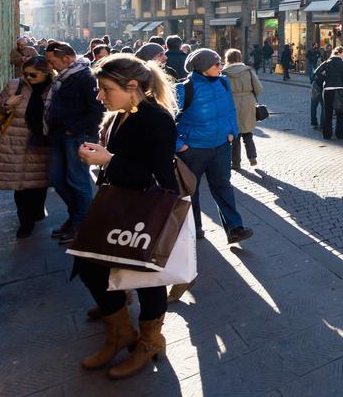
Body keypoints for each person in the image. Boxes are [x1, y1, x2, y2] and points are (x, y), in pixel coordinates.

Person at [75, 54, 180, 378]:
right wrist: (103, 157)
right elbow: (123, 157)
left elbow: (159, 178)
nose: (99, 96)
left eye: (105, 88)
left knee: (148, 280)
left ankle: (149, 342)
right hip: (116, 205)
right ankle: (121, 331)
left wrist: (108, 161)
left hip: (142, 213)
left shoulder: (157, 118)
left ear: (132, 86)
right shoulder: (121, 113)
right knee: (88, 267)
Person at [175, 48, 253, 244]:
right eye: (216, 64)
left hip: (220, 146)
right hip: (194, 149)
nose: (221, 66)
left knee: (223, 186)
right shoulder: (184, 89)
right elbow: (168, 121)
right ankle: (195, 228)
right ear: (202, 67)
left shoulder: (223, 83)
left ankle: (235, 228)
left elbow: (230, 110)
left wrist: (232, 133)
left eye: (220, 62)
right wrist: (180, 145)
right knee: (190, 190)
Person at [43, 42, 104, 244]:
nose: (50, 66)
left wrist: (73, 128)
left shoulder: (85, 77)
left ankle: (82, 223)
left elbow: (97, 111)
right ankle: (76, 216)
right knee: (57, 179)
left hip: (77, 136)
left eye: (52, 61)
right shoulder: (63, 77)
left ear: (67, 59)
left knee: (78, 181)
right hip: (59, 135)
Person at [0, 56, 54, 238]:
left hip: (41, 144)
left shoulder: (54, 88)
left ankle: (36, 212)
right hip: (16, 143)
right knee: (20, 187)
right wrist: (5, 104)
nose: (28, 78)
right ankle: (25, 223)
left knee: (38, 185)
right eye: (25, 74)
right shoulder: (15, 85)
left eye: (33, 75)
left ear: (46, 73)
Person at [223, 48, 262, 170]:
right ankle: (252, 157)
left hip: (230, 103)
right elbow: (258, 88)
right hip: (247, 102)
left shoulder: (224, 73)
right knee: (248, 132)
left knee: (235, 135)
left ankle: (236, 163)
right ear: (240, 58)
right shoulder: (248, 71)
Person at [317, 46, 343, 140]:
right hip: (339, 90)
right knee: (340, 112)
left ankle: (327, 134)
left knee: (328, 113)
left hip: (328, 90)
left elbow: (316, 73)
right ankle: (339, 134)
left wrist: (324, 81)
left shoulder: (327, 62)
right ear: (339, 53)